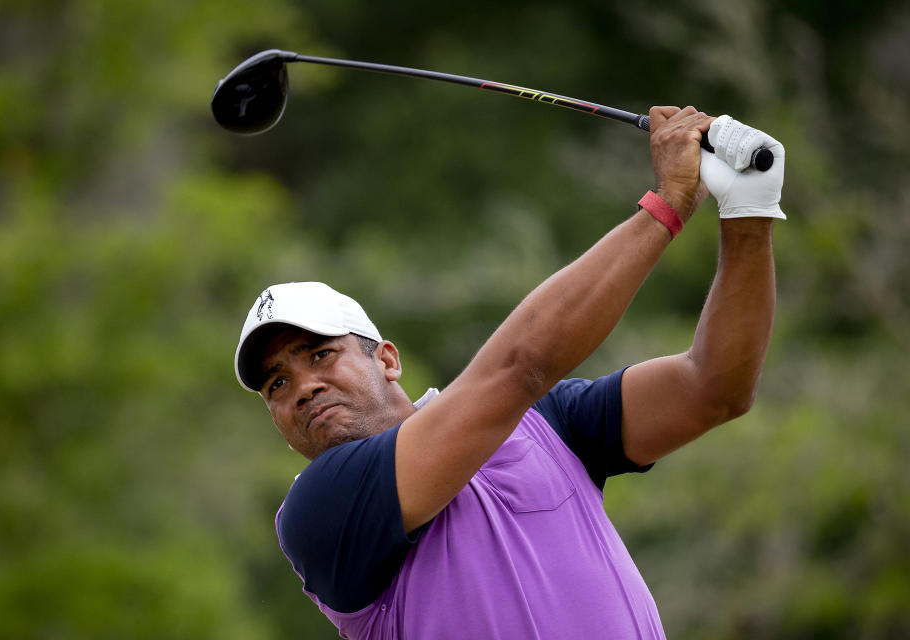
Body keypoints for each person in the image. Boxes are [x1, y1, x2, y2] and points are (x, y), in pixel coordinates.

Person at [233, 107, 786, 639]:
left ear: (387, 359)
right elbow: (521, 366)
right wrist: (668, 204)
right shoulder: (319, 509)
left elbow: (713, 390)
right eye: (276, 384)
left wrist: (748, 214)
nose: (303, 388)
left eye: (320, 355)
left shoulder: (545, 422)